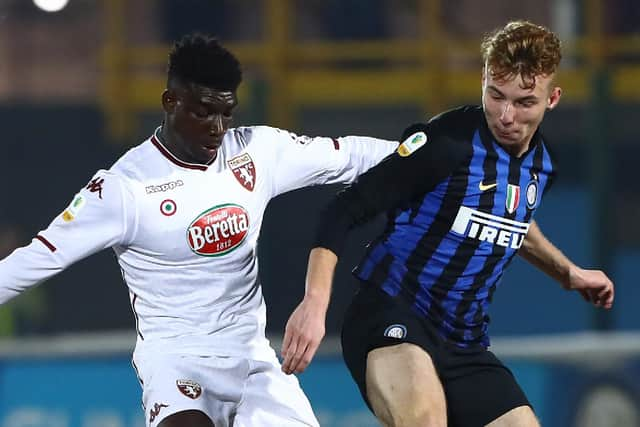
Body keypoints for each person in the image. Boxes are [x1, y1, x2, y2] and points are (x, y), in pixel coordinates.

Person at [0, 33, 398, 427]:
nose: (217, 127)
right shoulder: (125, 188)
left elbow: (352, 156)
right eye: (204, 111)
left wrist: (440, 146)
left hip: (251, 358)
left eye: (227, 113)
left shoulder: (256, 153)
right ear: (170, 102)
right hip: (176, 362)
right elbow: (37, 258)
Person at [281, 20, 615, 427]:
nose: (506, 115)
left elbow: (514, 223)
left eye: (524, 102)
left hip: (464, 342)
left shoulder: (541, 167)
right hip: (391, 312)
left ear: (553, 98)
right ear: (483, 81)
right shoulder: (447, 143)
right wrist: (315, 304)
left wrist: (569, 273)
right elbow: (344, 210)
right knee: (425, 421)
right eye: (496, 95)